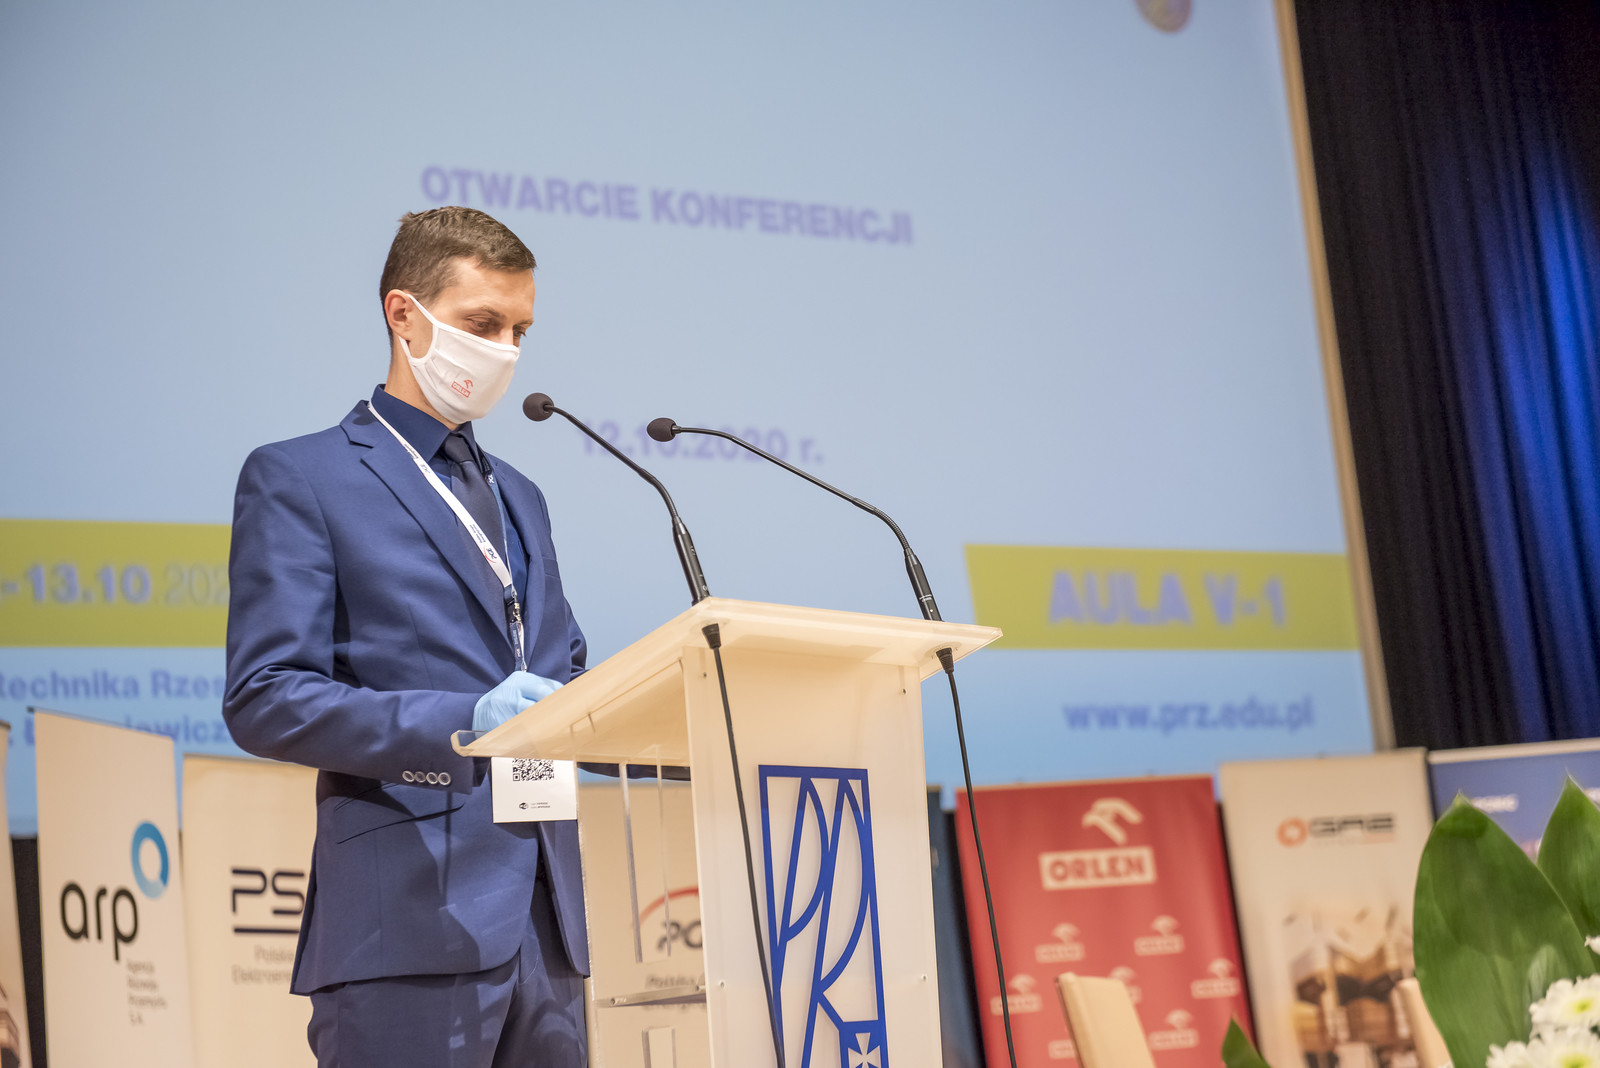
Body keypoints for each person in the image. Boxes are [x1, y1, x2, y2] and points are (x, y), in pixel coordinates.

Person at [223, 206, 589, 1067]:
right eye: (483, 325)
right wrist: (463, 721)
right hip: (407, 926)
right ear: (403, 315)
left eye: (521, 330)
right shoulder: (301, 476)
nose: (506, 351)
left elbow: (564, 671)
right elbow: (264, 697)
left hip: (548, 933)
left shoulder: (523, 495)